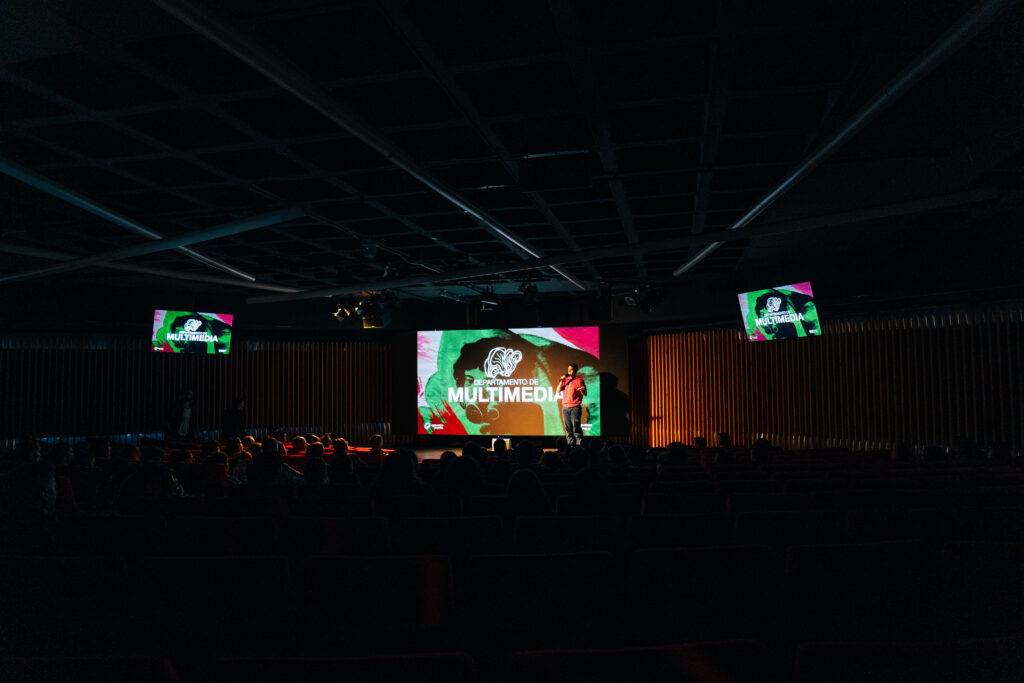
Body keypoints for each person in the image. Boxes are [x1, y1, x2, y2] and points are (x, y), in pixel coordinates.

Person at [556, 363, 587, 447]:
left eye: (571, 370)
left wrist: (582, 390)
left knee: (576, 427)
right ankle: (570, 445)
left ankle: (578, 445)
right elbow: (557, 391)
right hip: (565, 407)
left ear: (575, 370)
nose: (569, 371)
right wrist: (561, 381)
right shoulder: (565, 380)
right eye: (568, 369)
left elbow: (585, 393)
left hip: (575, 407)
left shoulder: (579, 380)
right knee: (568, 428)